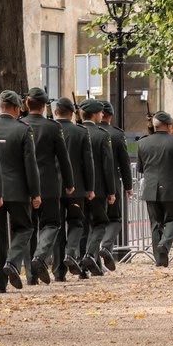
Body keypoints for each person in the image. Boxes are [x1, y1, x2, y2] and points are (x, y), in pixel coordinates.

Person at [20, 87, 74, 284]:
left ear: (27, 104)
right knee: (51, 223)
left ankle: (30, 275)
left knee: (29, 228)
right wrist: (69, 183)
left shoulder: (20, 125)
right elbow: (63, 158)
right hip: (49, 185)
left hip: (25, 185)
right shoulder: (52, 127)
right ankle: (40, 256)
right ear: (44, 106)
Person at [0, 90, 41, 292]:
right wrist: (35, 193)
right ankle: (12, 262)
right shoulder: (23, 130)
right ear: (15, 107)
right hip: (18, 191)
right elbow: (31, 165)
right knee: (25, 228)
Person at [136, 111, 173, 266]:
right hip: (171, 190)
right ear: (169, 126)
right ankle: (165, 244)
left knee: (155, 223)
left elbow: (140, 168)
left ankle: (160, 259)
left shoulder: (143, 143)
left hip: (150, 190)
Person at [52, 97, 95, 281]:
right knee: (77, 224)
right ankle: (72, 255)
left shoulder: (50, 129)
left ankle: (58, 271)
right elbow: (88, 163)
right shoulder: (80, 132)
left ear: (55, 112)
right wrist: (90, 187)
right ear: (72, 113)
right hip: (77, 188)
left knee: (58, 228)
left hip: (54, 188)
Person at [79, 100, 116, 275]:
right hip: (99, 189)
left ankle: (83, 268)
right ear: (94, 114)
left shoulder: (75, 131)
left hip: (79, 188)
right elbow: (108, 167)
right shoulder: (102, 135)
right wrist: (111, 191)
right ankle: (88, 255)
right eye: (100, 113)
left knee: (83, 226)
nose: (102, 115)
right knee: (100, 223)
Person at [96, 101, 133, 266]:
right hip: (113, 183)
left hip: (91, 184)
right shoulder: (117, 135)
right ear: (110, 116)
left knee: (94, 223)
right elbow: (125, 164)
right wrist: (128, 186)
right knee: (115, 219)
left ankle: (98, 257)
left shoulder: (89, 132)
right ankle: (106, 248)